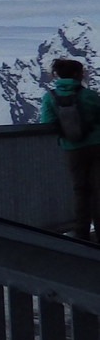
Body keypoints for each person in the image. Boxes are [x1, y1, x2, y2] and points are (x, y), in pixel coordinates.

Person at [38, 58, 100, 240]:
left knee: (80, 189)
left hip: (72, 148)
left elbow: (47, 123)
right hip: (97, 145)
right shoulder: (88, 95)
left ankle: (81, 231)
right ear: (76, 74)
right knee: (98, 189)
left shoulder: (49, 97)